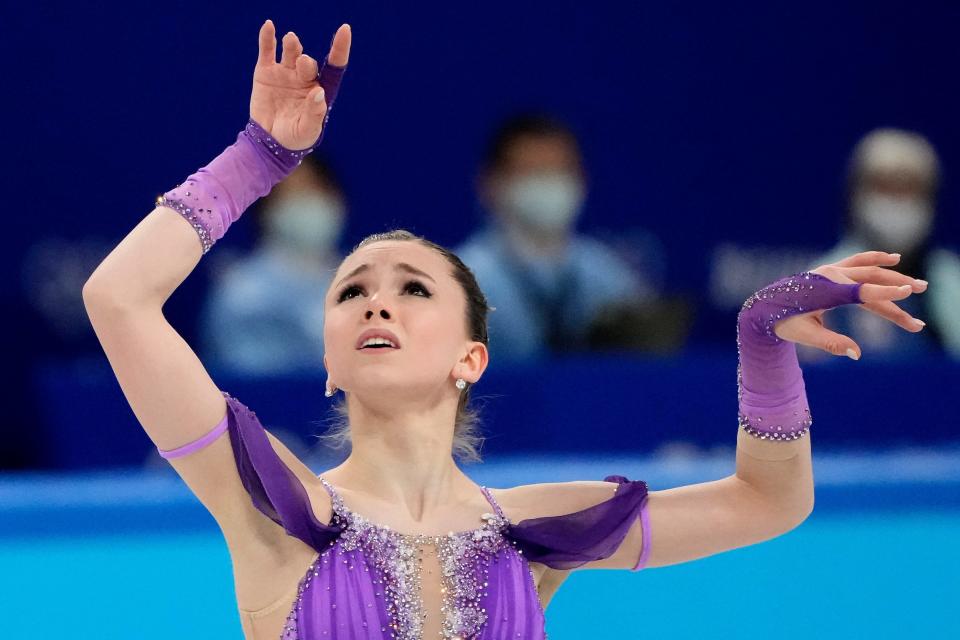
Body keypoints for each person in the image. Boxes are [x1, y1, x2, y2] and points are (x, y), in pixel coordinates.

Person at [81, 19, 929, 640]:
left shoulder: (537, 534)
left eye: (412, 288)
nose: (377, 303)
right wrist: (258, 159)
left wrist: (762, 344)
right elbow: (118, 299)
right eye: (351, 294)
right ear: (329, 360)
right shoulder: (276, 506)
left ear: (471, 356)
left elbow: (772, 501)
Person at [455, 114, 679, 361]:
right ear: (491, 183)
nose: (548, 185)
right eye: (533, 172)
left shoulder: (605, 272)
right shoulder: (466, 279)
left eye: (560, 170)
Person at [805, 128, 960, 360]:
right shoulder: (822, 280)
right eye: (885, 187)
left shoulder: (951, 279)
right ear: (857, 194)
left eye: (909, 189)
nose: (898, 201)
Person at [200, 153, 347, 375]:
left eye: (315, 189)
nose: (307, 203)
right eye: (292, 194)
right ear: (267, 210)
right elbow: (253, 383)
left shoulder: (364, 281)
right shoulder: (243, 293)